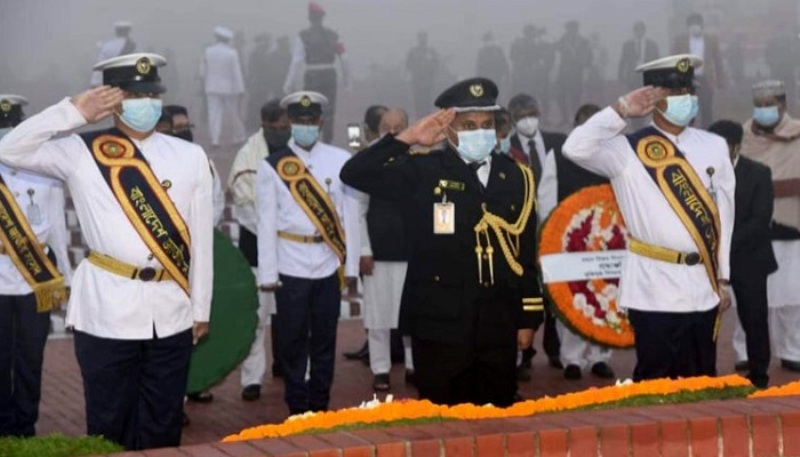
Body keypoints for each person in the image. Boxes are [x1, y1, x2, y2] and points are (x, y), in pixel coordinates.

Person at [0, 53, 213, 449]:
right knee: (108, 421)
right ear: (112, 100)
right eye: (132, 94)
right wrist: (72, 112)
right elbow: (10, 148)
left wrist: (201, 307)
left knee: (164, 423)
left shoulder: (190, 156)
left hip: (171, 309)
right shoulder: (80, 150)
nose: (144, 102)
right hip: (107, 310)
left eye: (150, 94)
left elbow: (201, 238)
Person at [341, 77, 544, 407]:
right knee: (444, 424)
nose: (479, 133)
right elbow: (354, 173)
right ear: (449, 128)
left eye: (486, 125)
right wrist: (407, 138)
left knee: (498, 423)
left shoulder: (517, 176)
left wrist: (528, 318)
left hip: (498, 323)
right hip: (439, 324)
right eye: (468, 125)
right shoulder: (424, 171)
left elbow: (523, 252)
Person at [563, 54, 734, 381]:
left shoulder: (715, 146)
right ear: (652, 98)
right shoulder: (626, 150)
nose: (684, 99)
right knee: (655, 385)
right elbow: (575, 148)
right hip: (654, 287)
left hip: (703, 284)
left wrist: (722, 278)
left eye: (687, 91)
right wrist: (620, 110)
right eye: (673, 93)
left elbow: (725, 214)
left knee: (703, 383)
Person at [257, 91, 359, 415]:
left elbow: (351, 216)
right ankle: (297, 403)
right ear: (290, 124)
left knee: (325, 340)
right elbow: (266, 221)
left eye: (311, 120)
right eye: (299, 121)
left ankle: (320, 401)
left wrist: (351, 264)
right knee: (291, 340)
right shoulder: (272, 165)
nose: (305, 126)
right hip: (290, 263)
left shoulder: (341, 159)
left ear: (320, 122)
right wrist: (268, 273)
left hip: (328, 263)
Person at [0, 95, 72, 437]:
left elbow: (57, 225)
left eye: (10, 128)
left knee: (30, 356)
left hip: (35, 277)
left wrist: (66, 277)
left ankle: (25, 425)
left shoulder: (44, 170)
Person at [538, 103, 615, 381]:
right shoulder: (557, 156)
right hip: (570, 241)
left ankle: (599, 356)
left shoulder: (614, 156)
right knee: (573, 298)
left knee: (605, 299)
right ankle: (571, 358)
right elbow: (547, 198)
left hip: (607, 242)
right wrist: (553, 235)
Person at [229, 99, 291, 400]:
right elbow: (248, 213)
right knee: (259, 318)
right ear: (265, 125)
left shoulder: (297, 152)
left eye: (286, 128)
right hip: (258, 251)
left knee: (294, 316)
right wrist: (282, 233)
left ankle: (292, 368)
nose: (283, 133)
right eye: (278, 128)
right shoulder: (247, 157)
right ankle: (252, 379)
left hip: (295, 254)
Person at [708, 119, 775, 388]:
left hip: (748, 259)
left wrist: (722, 245)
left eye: (722, 147)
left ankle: (759, 375)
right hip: (710, 261)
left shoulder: (759, 173)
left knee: (754, 319)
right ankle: (705, 375)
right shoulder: (699, 173)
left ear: (737, 146)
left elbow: (760, 220)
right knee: (706, 320)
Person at [740, 80, 800, 373]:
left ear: (783, 105)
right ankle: (743, 351)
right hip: (751, 227)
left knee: (793, 296)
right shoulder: (743, 136)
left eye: (770, 105)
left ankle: (793, 350)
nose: (764, 111)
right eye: (759, 106)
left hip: (791, 224)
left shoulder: (798, 133)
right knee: (749, 296)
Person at [506, 93, 564, 374]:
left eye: (531, 113)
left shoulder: (558, 142)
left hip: (555, 226)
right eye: (520, 116)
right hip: (522, 230)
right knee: (528, 291)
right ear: (512, 120)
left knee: (555, 290)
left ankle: (556, 350)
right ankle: (524, 353)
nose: (527, 120)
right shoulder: (508, 148)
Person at [358, 108, 414, 391]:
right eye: (386, 126)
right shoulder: (367, 163)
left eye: (398, 125)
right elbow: (358, 210)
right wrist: (363, 249)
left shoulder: (418, 160)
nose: (392, 131)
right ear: (377, 129)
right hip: (377, 254)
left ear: (408, 127)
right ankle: (380, 369)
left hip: (411, 252)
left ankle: (414, 365)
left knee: (412, 314)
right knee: (378, 316)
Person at [283, 2, 351, 144]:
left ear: (310, 18)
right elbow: (344, 58)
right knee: (329, 109)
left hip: (312, 76)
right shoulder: (333, 35)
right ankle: (327, 141)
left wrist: (289, 83)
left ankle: (310, 140)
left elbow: (296, 61)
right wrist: (347, 81)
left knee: (309, 108)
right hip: (329, 75)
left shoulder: (303, 36)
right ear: (322, 18)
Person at [162, 105, 224, 226]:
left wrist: (204, 227)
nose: (184, 131)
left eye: (187, 126)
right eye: (179, 128)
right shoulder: (155, 161)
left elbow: (217, 199)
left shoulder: (203, 161)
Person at [672, 14, 724, 128]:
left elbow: (718, 60)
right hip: (687, 79)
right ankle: (689, 136)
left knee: (706, 109)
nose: (695, 27)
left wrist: (721, 80)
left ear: (702, 25)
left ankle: (707, 134)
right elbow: (673, 60)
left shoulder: (710, 40)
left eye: (697, 24)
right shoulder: (680, 40)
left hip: (705, 79)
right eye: (692, 24)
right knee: (688, 111)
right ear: (687, 27)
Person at [201, 26, 246, 147]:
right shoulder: (232, 53)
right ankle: (238, 136)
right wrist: (240, 89)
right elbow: (236, 72)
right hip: (229, 88)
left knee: (214, 114)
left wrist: (205, 83)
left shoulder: (208, 51)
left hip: (211, 87)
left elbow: (202, 71)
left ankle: (215, 140)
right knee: (233, 113)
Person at [554, 21, 592, 126]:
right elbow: (554, 48)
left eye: (573, 28)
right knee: (560, 96)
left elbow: (589, 56)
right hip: (564, 74)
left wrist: (585, 64)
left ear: (576, 29)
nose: (570, 31)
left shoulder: (584, 42)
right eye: (569, 29)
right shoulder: (563, 40)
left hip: (576, 73)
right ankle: (564, 117)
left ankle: (575, 119)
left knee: (575, 98)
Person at [509, 24, 554, 111]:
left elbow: (546, 57)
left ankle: (538, 114)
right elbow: (513, 57)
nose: (531, 35)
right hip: (524, 74)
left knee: (540, 96)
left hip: (535, 75)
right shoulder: (520, 43)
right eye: (530, 33)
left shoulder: (539, 44)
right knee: (526, 95)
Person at [90, 22, 138, 87]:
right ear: (128, 31)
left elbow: (100, 66)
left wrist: (95, 83)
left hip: (111, 83)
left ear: (116, 31)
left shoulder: (108, 46)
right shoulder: (135, 46)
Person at [406, 32, 440, 120]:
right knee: (418, 102)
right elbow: (408, 65)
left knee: (427, 101)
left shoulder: (431, 51)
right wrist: (417, 66)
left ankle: (426, 119)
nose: (422, 39)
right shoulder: (413, 52)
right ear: (418, 39)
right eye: (421, 37)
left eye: (424, 37)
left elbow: (436, 64)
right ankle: (419, 119)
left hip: (428, 82)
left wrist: (429, 68)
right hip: (417, 82)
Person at [618, 22, 660, 90]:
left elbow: (657, 60)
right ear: (634, 31)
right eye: (637, 30)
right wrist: (621, 77)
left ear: (644, 31)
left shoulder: (652, 45)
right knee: (634, 96)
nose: (639, 32)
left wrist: (658, 75)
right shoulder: (627, 45)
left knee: (647, 96)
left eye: (641, 30)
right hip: (632, 76)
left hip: (648, 75)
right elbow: (623, 61)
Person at [246, 33, 272, 131]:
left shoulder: (261, 55)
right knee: (255, 103)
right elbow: (252, 70)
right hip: (257, 83)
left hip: (262, 83)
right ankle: (253, 123)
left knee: (259, 103)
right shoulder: (256, 55)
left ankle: (256, 122)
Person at [476, 32, 510, 101]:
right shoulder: (486, 51)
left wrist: (506, 74)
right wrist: (506, 74)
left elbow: (503, 63)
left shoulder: (492, 50)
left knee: (492, 92)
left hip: (494, 75)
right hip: (491, 76)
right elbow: (479, 66)